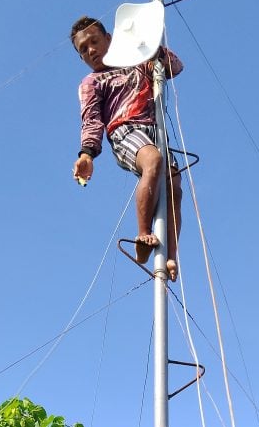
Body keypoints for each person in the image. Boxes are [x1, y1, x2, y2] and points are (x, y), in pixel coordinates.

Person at [70, 16, 184, 281]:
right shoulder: (93, 81)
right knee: (152, 160)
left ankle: (170, 256)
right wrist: (87, 152)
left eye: (94, 42)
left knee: (173, 186)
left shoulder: (139, 64)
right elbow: (91, 118)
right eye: (83, 49)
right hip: (125, 130)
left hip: (155, 131)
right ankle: (143, 234)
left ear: (109, 38)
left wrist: (153, 50)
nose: (91, 51)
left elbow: (175, 67)